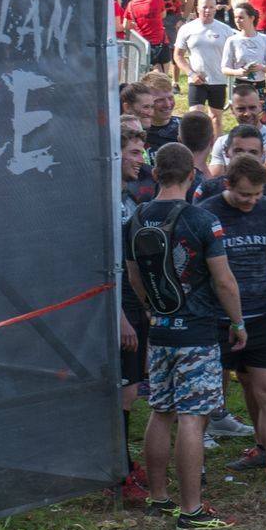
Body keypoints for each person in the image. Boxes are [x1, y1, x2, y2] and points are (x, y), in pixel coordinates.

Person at [125, 144, 244, 530]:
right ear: (192, 175)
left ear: (155, 173)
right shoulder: (202, 219)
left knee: (161, 411)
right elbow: (224, 281)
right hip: (197, 331)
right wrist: (238, 322)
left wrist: (152, 308)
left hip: (160, 330)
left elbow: (134, 277)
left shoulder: (136, 218)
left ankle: (158, 498)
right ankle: (192, 509)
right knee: (193, 416)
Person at [197, 151, 266, 505]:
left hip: (262, 314)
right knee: (204, 400)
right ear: (227, 184)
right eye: (244, 194)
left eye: (257, 195)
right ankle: (195, 470)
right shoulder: (207, 211)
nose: (251, 202)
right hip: (216, 319)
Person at [113, 126, 155, 502]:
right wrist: (121, 317)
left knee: (129, 390)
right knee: (125, 392)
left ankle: (121, 464)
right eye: (134, 153)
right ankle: (118, 472)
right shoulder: (108, 201)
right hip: (118, 306)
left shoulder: (127, 197)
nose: (141, 161)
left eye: (142, 152)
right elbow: (105, 266)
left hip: (133, 303)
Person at [174, 0, 235, 118]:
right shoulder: (187, 29)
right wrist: (191, 74)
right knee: (196, 116)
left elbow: (234, 54)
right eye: (204, 7)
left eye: (211, 7)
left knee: (216, 118)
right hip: (197, 80)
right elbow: (178, 55)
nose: (208, 10)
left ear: (215, 9)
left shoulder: (225, 30)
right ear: (197, 8)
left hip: (218, 80)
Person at [207, 84, 266, 173]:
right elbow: (215, 177)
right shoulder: (222, 142)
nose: (247, 113)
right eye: (241, 109)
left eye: (252, 108)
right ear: (232, 109)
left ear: (260, 106)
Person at [221, 5, 266, 108]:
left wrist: (261, 67)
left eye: (241, 17)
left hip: (259, 86)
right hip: (240, 86)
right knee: (244, 116)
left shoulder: (264, 39)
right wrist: (238, 72)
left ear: (251, 18)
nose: (237, 21)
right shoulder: (232, 40)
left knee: (262, 116)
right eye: (235, 17)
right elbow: (224, 69)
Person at [124, 0, 172, 68]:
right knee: (163, 73)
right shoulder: (157, 0)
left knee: (145, 73)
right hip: (160, 41)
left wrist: (136, 23)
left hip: (142, 43)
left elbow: (126, 25)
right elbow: (163, 15)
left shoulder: (131, 4)